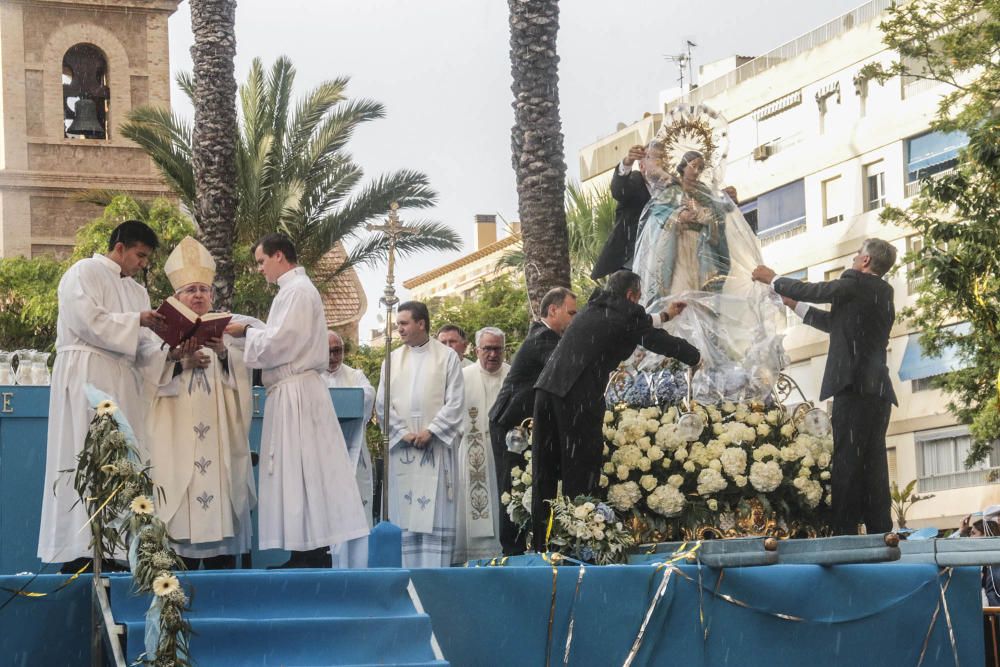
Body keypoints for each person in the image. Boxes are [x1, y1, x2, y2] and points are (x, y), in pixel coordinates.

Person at [226, 233, 368, 567]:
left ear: (279, 256)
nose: (260, 270)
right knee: (296, 473)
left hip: (298, 393)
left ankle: (312, 553)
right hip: (290, 391)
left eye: (262, 262)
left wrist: (246, 332)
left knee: (304, 472)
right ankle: (303, 550)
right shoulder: (291, 292)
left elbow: (278, 343)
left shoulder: (298, 292)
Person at [531, 271, 700, 549]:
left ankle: (540, 544)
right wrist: (694, 356)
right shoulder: (626, 314)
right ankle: (579, 542)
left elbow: (640, 325)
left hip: (547, 390)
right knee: (580, 469)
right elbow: (654, 339)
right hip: (577, 396)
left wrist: (666, 315)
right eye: (638, 298)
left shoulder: (596, 309)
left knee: (544, 471)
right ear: (632, 296)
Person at [38, 220, 168, 571]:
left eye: (147, 258)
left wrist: (173, 349)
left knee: (122, 459)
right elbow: (87, 320)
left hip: (122, 381)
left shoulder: (138, 293)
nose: (143, 264)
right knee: (87, 452)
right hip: (87, 374)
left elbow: (144, 349)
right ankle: (82, 547)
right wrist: (135, 320)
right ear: (120, 247)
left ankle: (116, 548)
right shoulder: (84, 271)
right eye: (139, 255)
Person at [752, 238, 899, 536]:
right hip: (878, 391)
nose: (854, 259)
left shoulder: (855, 282)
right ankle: (880, 529)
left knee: (846, 458)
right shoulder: (881, 294)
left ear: (866, 261)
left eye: (857, 255)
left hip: (854, 388)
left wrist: (774, 279)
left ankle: (843, 531)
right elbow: (835, 324)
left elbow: (817, 291)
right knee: (873, 461)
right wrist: (794, 305)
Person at [148, 237, 259, 570]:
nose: (198, 294)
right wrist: (179, 361)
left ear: (212, 296)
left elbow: (240, 387)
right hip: (176, 442)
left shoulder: (226, 331)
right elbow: (146, 385)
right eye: (190, 289)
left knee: (221, 539)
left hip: (218, 442)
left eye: (203, 289)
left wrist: (224, 354)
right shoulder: (157, 334)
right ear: (176, 297)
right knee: (177, 532)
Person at [489, 287, 577, 554]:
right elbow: (568, 365)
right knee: (511, 485)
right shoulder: (542, 338)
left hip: (526, 424)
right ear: (553, 310)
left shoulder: (547, 336)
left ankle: (531, 542)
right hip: (511, 423)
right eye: (571, 313)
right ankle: (511, 550)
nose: (574, 319)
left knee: (525, 482)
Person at [376, 301, 464, 567]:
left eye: (404, 323)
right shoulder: (391, 359)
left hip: (434, 447)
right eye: (398, 324)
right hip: (404, 449)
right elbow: (383, 401)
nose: (398, 329)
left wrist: (432, 431)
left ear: (421, 323)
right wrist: (402, 432)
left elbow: (456, 400)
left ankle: (434, 579)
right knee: (404, 516)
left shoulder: (447, 356)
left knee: (433, 514)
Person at [453, 327, 510, 563]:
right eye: (487, 348)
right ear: (476, 350)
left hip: (505, 454)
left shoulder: (513, 375)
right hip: (472, 450)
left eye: (497, 349)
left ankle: (503, 553)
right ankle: (470, 556)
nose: (492, 354)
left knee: (502, 504)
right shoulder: (462, 377)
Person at [323, 330, 377, 568]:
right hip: (323, 458)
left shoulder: (355, 376)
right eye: (329, 351)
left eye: (338, 351)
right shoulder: (311, 377)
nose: (334, 357)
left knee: (357, 512)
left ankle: (357, 568)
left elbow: (368, 394)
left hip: (354, 456)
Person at [592, 144, 652, 280]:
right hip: (627, 262)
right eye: (649, 158)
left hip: (656, 261)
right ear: (641, 165)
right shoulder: (636, 180)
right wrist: (627, 162)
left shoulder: (669, 188)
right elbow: (618, 190)